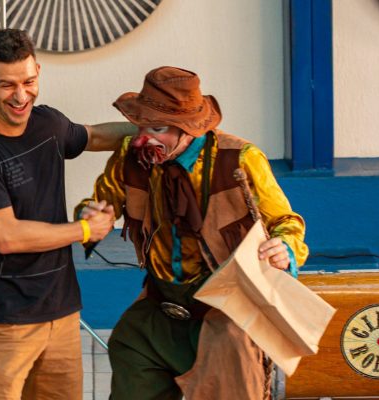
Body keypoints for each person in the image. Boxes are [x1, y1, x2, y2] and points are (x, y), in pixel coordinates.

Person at [75, 66, 309, 399]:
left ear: (188, 129)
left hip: (225, 312)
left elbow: (285, 221)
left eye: (157, 128)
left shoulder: (240, 159)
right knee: (129, 346)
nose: (142, 138)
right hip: (160, 307)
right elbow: (101, 201)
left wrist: (284, 246)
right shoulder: (131, 155)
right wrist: (90, 215)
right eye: (141, 125)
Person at [0, 29, 134, 400]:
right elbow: (7, 236)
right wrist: (84, 229)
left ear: (38, 73)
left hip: (61, 312)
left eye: (28, 82)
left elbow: (96, 136)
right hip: (5, 320)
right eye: (6, 85)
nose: (20, 96)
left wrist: (159, 129)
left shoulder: (48, 124)